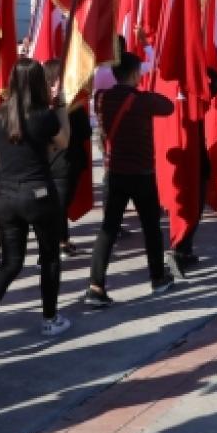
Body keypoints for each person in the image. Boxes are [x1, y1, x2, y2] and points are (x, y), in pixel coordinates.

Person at [0, 60, 71, 358]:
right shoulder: (43, 116)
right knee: (49, 257)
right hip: (39, 194)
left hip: (7, 197)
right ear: (38, 84)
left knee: (10, 263)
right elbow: (64, 141)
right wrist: (60, 104)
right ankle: (50, 318)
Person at [85, 52, 174, 307]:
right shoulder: (142, 100)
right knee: (151, 228)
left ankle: (95, 286)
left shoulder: (101, 98)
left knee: (108, 229)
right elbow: (168, 106)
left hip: (115, 173)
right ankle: (158, 278)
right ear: (135, 74)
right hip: (142, 173)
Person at [42, 59, 92, 257]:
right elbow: (85, 132)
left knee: (58, 206)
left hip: (51, 164)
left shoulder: (39, 106)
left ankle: (62, 240)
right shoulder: (69, 106)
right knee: (59, 206)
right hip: (65, 164)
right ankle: (55, 245)